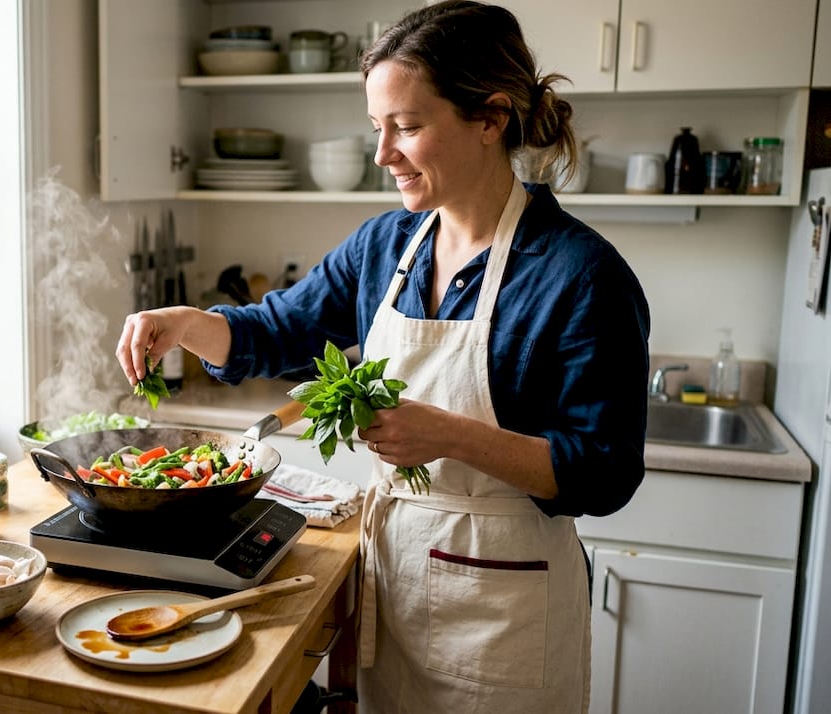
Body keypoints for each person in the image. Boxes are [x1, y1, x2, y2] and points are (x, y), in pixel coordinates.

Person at [115, 1, 650, 711]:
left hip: (506, 614)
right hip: (394, 588)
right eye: (377, 128)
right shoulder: (385, 247)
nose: (382, 154)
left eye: (408, 126)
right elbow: (277, 329)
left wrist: (450, 437)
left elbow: (604, 473)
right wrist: (186, 324)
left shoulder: (579, 275)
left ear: (490, 119)